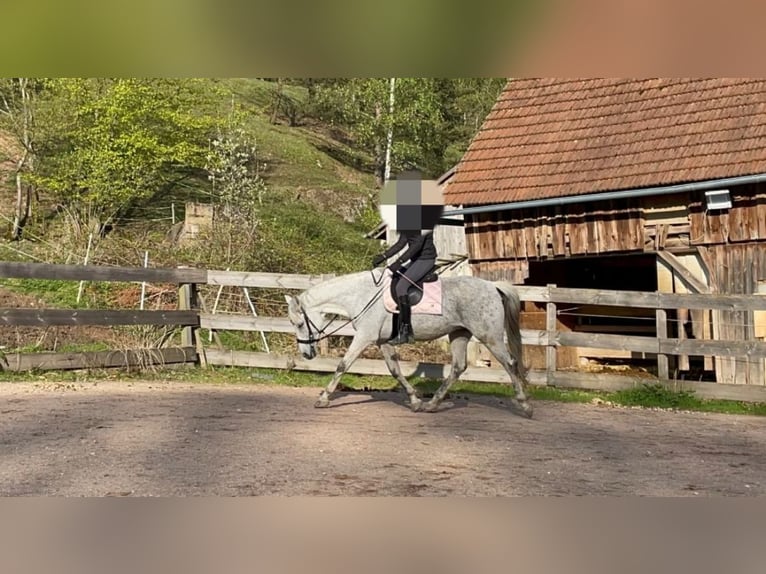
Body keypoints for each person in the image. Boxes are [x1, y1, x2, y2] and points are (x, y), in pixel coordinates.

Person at [372, 228, 437, 345]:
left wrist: (399, 262)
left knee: (401, 287)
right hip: (415, 259)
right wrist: (383, 256)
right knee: (394, 278)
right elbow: (400, 243)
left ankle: (406, 331)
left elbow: (417, 245)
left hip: (426, 259)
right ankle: (395, 330)